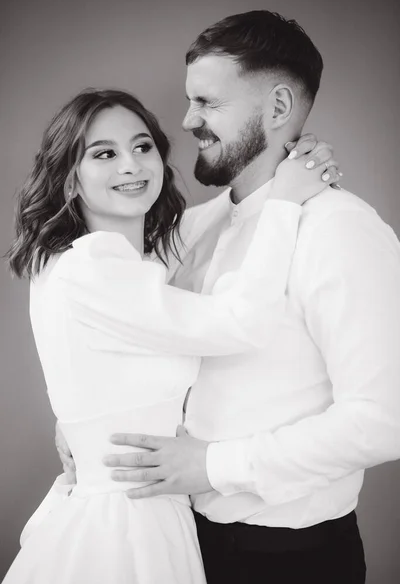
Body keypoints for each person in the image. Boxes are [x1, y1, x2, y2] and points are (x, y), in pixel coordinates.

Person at [72, 10, 400, 584]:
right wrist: (81, 429)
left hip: (289, 558)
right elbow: (126, 330)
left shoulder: (340, 230)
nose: (187, 119)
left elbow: (385, 419)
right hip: (181, 539)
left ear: (277, 109)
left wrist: (213, 465)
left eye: (208, 104)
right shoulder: (196, 226)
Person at [4, 87, 335, 584]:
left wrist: (270, 175)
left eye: (143, 147)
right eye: (104, 154)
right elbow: (240, 322)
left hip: (144, 509)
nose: (131, 166)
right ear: (69, 179)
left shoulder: (110, 260)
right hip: (123, 526)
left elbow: (212, 218)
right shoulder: (93, 269)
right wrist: (285, 199)